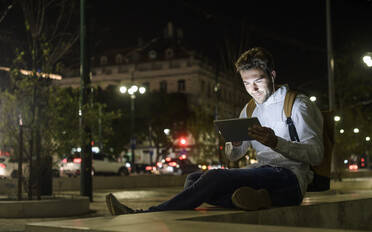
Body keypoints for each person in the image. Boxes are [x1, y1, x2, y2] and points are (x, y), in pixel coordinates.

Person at [106, 47, 324, 215]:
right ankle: (259, 199)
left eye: (258, 80)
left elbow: (316, 154)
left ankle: (146, 214)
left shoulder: (297, 105)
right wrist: (235, 144)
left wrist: (276, 142)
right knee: (193, 179)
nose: (253, 89)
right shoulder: (249, 109)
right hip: (262, 172)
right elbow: (234, 155)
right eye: (247, 83)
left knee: (214, 178)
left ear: (273, 75)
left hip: (290, 179)